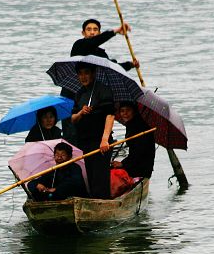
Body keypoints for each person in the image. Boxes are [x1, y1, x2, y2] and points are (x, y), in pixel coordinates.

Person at [61, 18, 138, 143]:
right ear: (83, 33)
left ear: (99, 32)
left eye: (95, 30)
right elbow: (94, 42)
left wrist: (130, 64)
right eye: (89, 29)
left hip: (94, 93)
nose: (92, 32)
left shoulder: (100, 54)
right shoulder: (79, 45)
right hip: (74, 92)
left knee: (99, 116)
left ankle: (106, 140)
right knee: (72, 128)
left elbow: (113, 67)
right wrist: (115, 31)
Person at [70, 62, 115, 199]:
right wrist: (81, 113)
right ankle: (93, 203)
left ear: (93, 74)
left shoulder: (103, 90)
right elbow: (73, 118)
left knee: (100, 178)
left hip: (101, 142)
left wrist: (105, 139)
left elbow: (110, 115)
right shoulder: (79, 93)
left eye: (86, 73)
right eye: (80, 74)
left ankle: (102, 205)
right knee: (89, 177)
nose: (83, 77)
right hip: (84, 142)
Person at [111, 101, 156, 178]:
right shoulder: (131, 125)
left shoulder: (140, 127)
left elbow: (139, 151)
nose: (125, 113)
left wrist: (123, 164)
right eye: (122, 111)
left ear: (134, 111)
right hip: (136, 162)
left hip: (142, 167)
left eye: (128, 110)